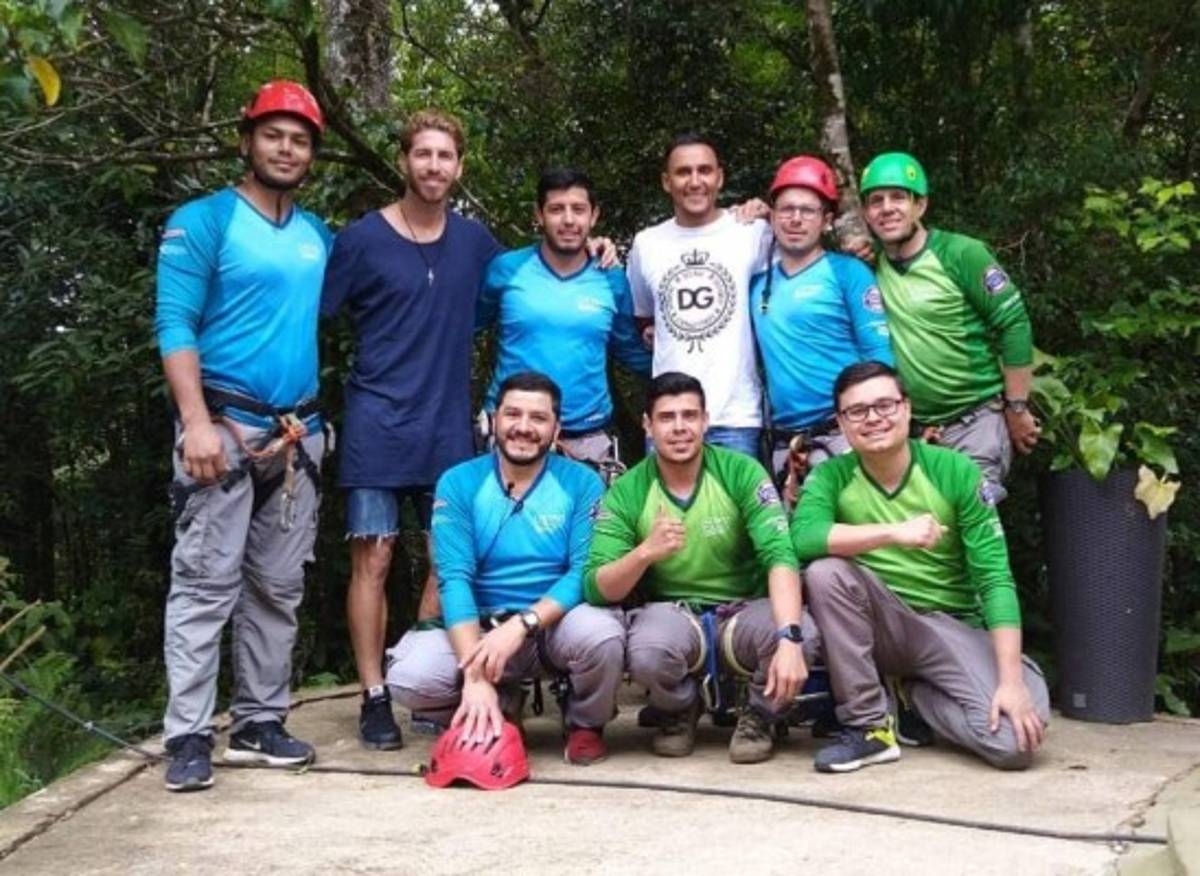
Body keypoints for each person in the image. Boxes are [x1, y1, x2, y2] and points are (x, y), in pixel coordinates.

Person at [155, 80, 332, 791]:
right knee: (204, 583)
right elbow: (175, 323)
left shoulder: (317, 235)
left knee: (277, 587)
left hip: (297, 433)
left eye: (299, 139)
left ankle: (258, 720)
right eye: (274, 135)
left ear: (312, 153)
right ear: (246, 139)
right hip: (222, 429)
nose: (286, 149)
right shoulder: (203, 222)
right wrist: (194, 421)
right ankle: (189, 735)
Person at [321, 109, 503, 750]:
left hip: (448, 422)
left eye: (444, 156)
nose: (433, 166)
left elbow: (530, 282)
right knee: (374, 556)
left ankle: (424, 681)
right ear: (404, 160)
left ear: (459, 166)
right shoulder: (361, 240)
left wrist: (598, 249)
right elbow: (310, 312)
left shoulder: (477, 243)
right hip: (376, 419)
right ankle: (374, 695)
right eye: (422, 154)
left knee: (447, 559)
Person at [791, 361, 1049, 773]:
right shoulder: (832, 475)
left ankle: (914, 696)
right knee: (826, 572)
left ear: (908, 409)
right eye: (857, 411)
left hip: (947, 626)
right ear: (841, 422)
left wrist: (1011, 680)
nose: (873, 418)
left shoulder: (954, 470)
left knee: (1012, 744)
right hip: (879, 622)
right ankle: (870, 727)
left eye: (885, 405)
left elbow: (995, 577)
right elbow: (803, 538)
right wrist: (894, 532)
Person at [386, 372, 623, 765]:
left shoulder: (582, 482)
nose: (524, 428)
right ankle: (492, 702)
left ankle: (585, 722)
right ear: (493, 421)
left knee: (603, 635)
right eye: (513, 414)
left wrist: (524, 624)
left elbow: (583, 572)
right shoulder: (458, 482)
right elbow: (454, 577)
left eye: (538, 418)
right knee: (411, 676)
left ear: (556, 428)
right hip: (478, 629)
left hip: (551, 626)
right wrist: (475, 675)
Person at [584, 372, 817, 764]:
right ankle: (679, 709)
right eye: (667, 417)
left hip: (744, 609)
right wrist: (644, 553)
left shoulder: (741, 471)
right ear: (647, 425)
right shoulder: (629, 490)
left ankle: (760, 714)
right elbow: (597, 587)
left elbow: (780, 555)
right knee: (647, 650)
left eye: (689, 416)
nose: (679, 428)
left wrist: (790, 637)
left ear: (706, 421)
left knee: (804, 635)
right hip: (675, 615)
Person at [859, 151, 1039, 500]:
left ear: (920, 205)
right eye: (876, 200)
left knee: (973, 518)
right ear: (866, 213)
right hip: (915, 431)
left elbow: (1014, 322)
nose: (887, 208)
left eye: (898, 197)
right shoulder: (869, 268)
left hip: (976, 421)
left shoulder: (961, 254)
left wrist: (1018, 407)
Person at [477, 167, 650, 479]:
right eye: (557, 209)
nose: (569, 220)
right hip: (511, 432)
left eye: (578, 209)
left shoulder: (611, 278)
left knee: (590, 529)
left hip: (588, 437)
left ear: (594, 215)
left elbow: (631, 350)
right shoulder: (507, 270)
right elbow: (462, 329)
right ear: (539, 215)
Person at [749, 155, 893, 502]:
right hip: (787, 442)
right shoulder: (755, 284)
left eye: (808, 210)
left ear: (826, 220)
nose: (796, 219)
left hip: (846, 432)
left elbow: (879, 356)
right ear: (771, 215)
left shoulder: (849, 273)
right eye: (786, 209)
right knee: (803, 544)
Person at [627, 135, 772, 458]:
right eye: (683, 172)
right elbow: (642, 316)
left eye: (704, 170)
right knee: (665, 510)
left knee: (741, 510)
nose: (695, 181)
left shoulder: (751, 231)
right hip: (668, 417)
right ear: (667, 181)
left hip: (737, 415)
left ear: (720, 177)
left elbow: (798, 259)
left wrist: (768, 211)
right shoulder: (646, 244)